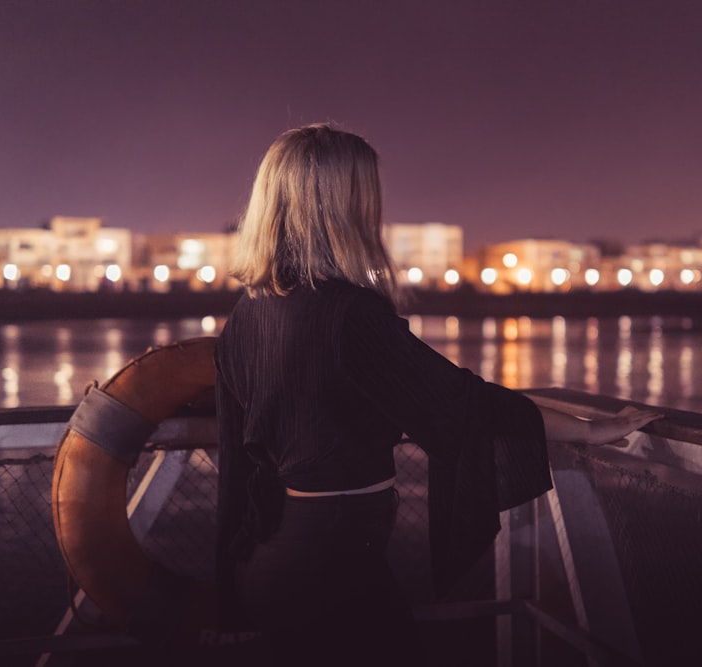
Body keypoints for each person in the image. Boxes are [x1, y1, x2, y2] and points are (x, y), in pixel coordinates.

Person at [213, 123, 661, 665]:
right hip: (331, 568)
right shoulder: (350, 315)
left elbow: (245, 449)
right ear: (342, 206)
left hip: (271, 557)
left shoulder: (247, 314)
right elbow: (463, 405)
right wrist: (593, 429)